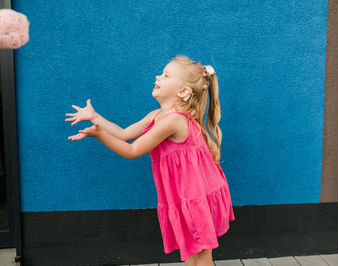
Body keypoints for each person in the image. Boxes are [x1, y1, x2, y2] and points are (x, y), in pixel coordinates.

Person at [65, 55, 235, 265]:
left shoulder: (173, 120)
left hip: (196, 195)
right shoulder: (158, 115)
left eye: (166, 75)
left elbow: (132, 150)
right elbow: (125, 134)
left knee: (201, 254)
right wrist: (95, 117)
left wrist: (100, 134)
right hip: (187, 194)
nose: (158, 76)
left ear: (182, 92)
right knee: (192, 252)